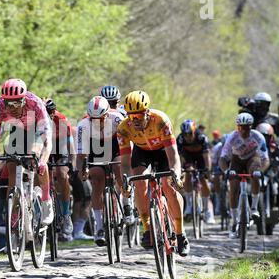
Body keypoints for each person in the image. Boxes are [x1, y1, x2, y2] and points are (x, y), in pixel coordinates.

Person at [117, 90, 189, 257]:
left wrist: (176, 175)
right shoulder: (123, 129)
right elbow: (126, 162)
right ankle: (147, 228)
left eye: (139, 116)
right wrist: (125, 182)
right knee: (139, 183)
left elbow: (173, 154)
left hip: (163, 152)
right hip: (142, 153)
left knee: (168, 185)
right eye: (131, 116)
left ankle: (180, 234)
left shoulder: (160, 121)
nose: (135, 120)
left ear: (147, 112)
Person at [0, 79, 54, 231]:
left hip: (37, 128)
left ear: (24, 99)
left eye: (17, 103)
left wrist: (43, 161)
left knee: (35, 155)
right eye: (8, 104)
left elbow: (47, 141)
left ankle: (45, 199)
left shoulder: (35, 103)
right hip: (18, 130)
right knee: (11, 165)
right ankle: (15, 211)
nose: (12, 107)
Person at [76, 96, 127, 246]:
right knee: (97, 179)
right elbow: (81, 156)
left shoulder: (118, 119)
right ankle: (99, 227)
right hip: (95, 150)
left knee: (118, 168)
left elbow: (127, 146)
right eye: (93, 118)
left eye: (101, 118)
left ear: (107, 114)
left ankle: (126, 202)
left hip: (115, 148)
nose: (97, 122)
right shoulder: (83, 126)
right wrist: (82, 171)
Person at [219, 113, 270, 239]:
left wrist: (261, 170)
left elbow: (266, 159)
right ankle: (235, 221)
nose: (243, 130)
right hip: (236, 160)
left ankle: (254, 208)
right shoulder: (232, 137)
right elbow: (222, 158)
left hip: (252, 158)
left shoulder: (258, 137)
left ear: (250, 127)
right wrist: (226, 171)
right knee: (234, 186)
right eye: (240, 127)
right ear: (237, 127)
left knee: (255, 173)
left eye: (246, 127)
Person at [44, 98, 75, 240]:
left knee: (62, 175)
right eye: (46, 113)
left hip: (59, 147)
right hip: (44, 147)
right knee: (43, 175)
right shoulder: (34, 119)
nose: (49, 116)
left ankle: (66, 213)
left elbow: (70, 144)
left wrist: (72, 163)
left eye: (51, 112)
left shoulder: (60, 119)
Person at [177, 119, 215, 224]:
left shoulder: (201, 138)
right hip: (188, 158)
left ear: (194, 131)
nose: (187, 137)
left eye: (190, 134)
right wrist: (180, 169)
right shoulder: (180, 139)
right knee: (188, 174)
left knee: (203, 180)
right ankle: (189, 206)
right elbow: (179, 157)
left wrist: (208, 169)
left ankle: (207, 210)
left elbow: (207, 156)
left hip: (201, 157)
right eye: (185, 134)